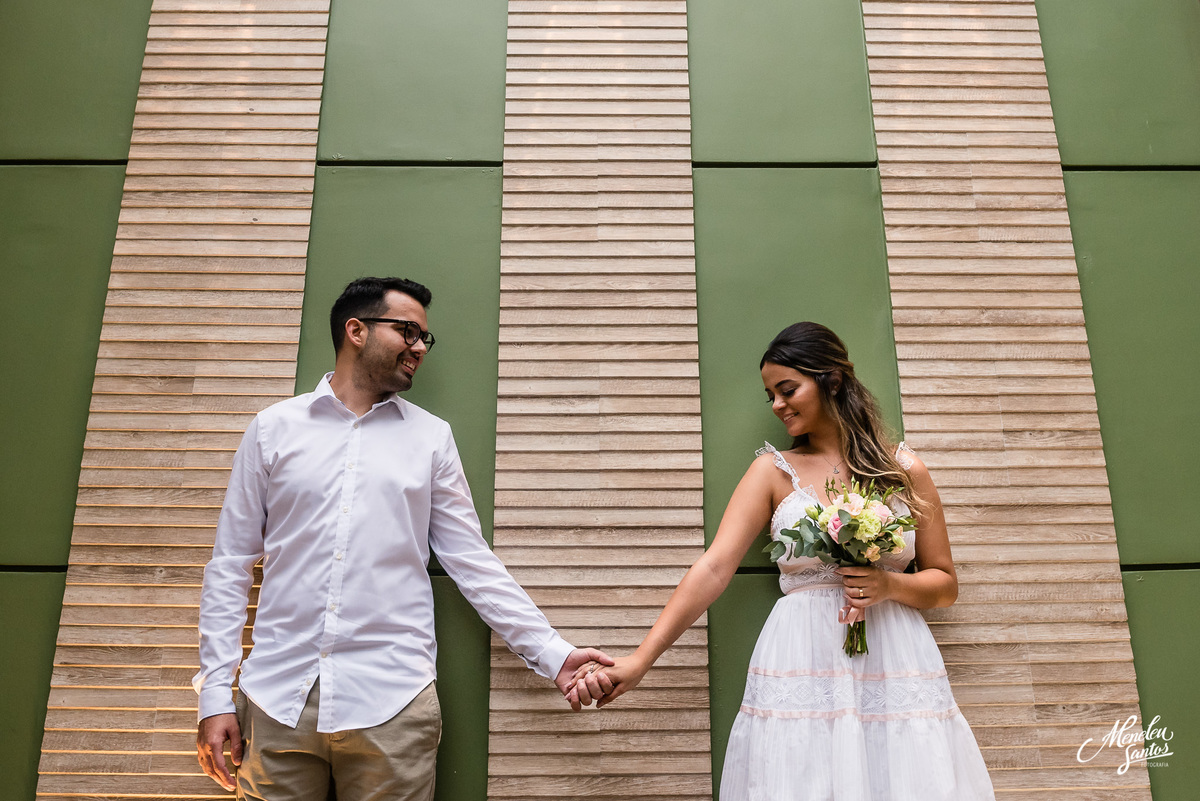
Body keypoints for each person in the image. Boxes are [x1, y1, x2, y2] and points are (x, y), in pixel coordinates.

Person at [193, 277, 612, 800]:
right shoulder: (272, 429)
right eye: (408, 332)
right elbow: (230, 564)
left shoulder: (431, 438)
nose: (420, 347)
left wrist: (552, 653)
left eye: (423, 338)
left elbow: (470, 560)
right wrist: (214, 693)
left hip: (392, 703)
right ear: (356, 331)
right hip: (276, 700)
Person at [575, 322, 995, 800]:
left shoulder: (903, 469)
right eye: (770, 395)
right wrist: (640, 660)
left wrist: (889, 585)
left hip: (894, 652)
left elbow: (945, 584)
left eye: (787, 389)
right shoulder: (772, 471)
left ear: (832, 380)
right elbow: (714, 567)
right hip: (801, 652)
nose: (777, 404)